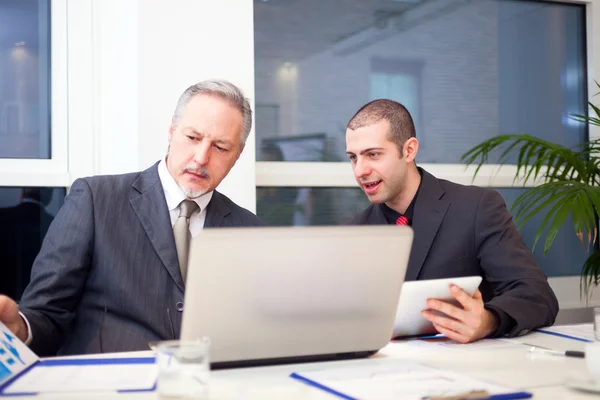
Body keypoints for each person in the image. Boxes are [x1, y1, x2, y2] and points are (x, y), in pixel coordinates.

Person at [0, 80, 263, 356]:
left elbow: (254, 331)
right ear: (172, 131)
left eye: (220, 147)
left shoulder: (249, 230)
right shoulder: (95, 199)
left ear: (238, 154)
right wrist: (18, 328)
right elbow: (48, 314)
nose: (200, 158)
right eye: (193, 138)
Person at [345, 99, 558, 343]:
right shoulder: (354, 232)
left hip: (466, 368)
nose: (360, 170)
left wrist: (488, 320)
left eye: (373, 154)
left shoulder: (476, 208)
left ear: (409, 150)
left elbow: (538, 295)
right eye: (353, 157)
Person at [0, 188, 55, 300]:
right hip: (36, 300)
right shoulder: (53, 223)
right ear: (49, 197)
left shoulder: (2, 216)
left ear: (22, 193)